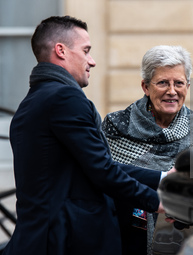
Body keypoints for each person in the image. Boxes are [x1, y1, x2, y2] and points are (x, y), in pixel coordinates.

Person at [3, 16, 171, 255]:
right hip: (66, 243)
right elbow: (102, 171)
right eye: (86, 50)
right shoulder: (64, 98)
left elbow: (94, 166)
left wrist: (163, 177)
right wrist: (158, 202)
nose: (91, 61)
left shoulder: (32, 103)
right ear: (60, 50)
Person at [102, 45, 193, 255]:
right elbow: (104, 178)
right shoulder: (116, 126)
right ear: (145, 86)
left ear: (187, 86)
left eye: (179, 83)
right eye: (163, 82)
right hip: (122, 239)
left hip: (181, 242)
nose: (172, 91)